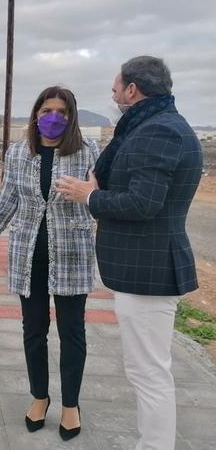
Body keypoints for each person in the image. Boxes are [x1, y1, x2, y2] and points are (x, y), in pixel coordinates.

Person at [56, 56, 202, 450]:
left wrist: (90, 196)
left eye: (117, 87)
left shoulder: (158, 133)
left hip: (149, 271)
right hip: (143, 270)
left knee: (149, 373)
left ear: (133, 90)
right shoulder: (153, 126)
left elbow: (142, 204)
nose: (113, 93)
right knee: (147, 369)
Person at [0, 86, 99, 441]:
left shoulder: (88, 153)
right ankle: (40, 397)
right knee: (34, 331)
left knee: (72, 333)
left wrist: (90, 197)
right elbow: (6, 203)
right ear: (36, 115)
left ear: (71, 117)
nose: (53, 117)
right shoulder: (19, 153)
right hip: (28, 255)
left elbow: (99, 199)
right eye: (46, 110)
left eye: (61, 111)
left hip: (72, 254)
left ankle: (71, 404)